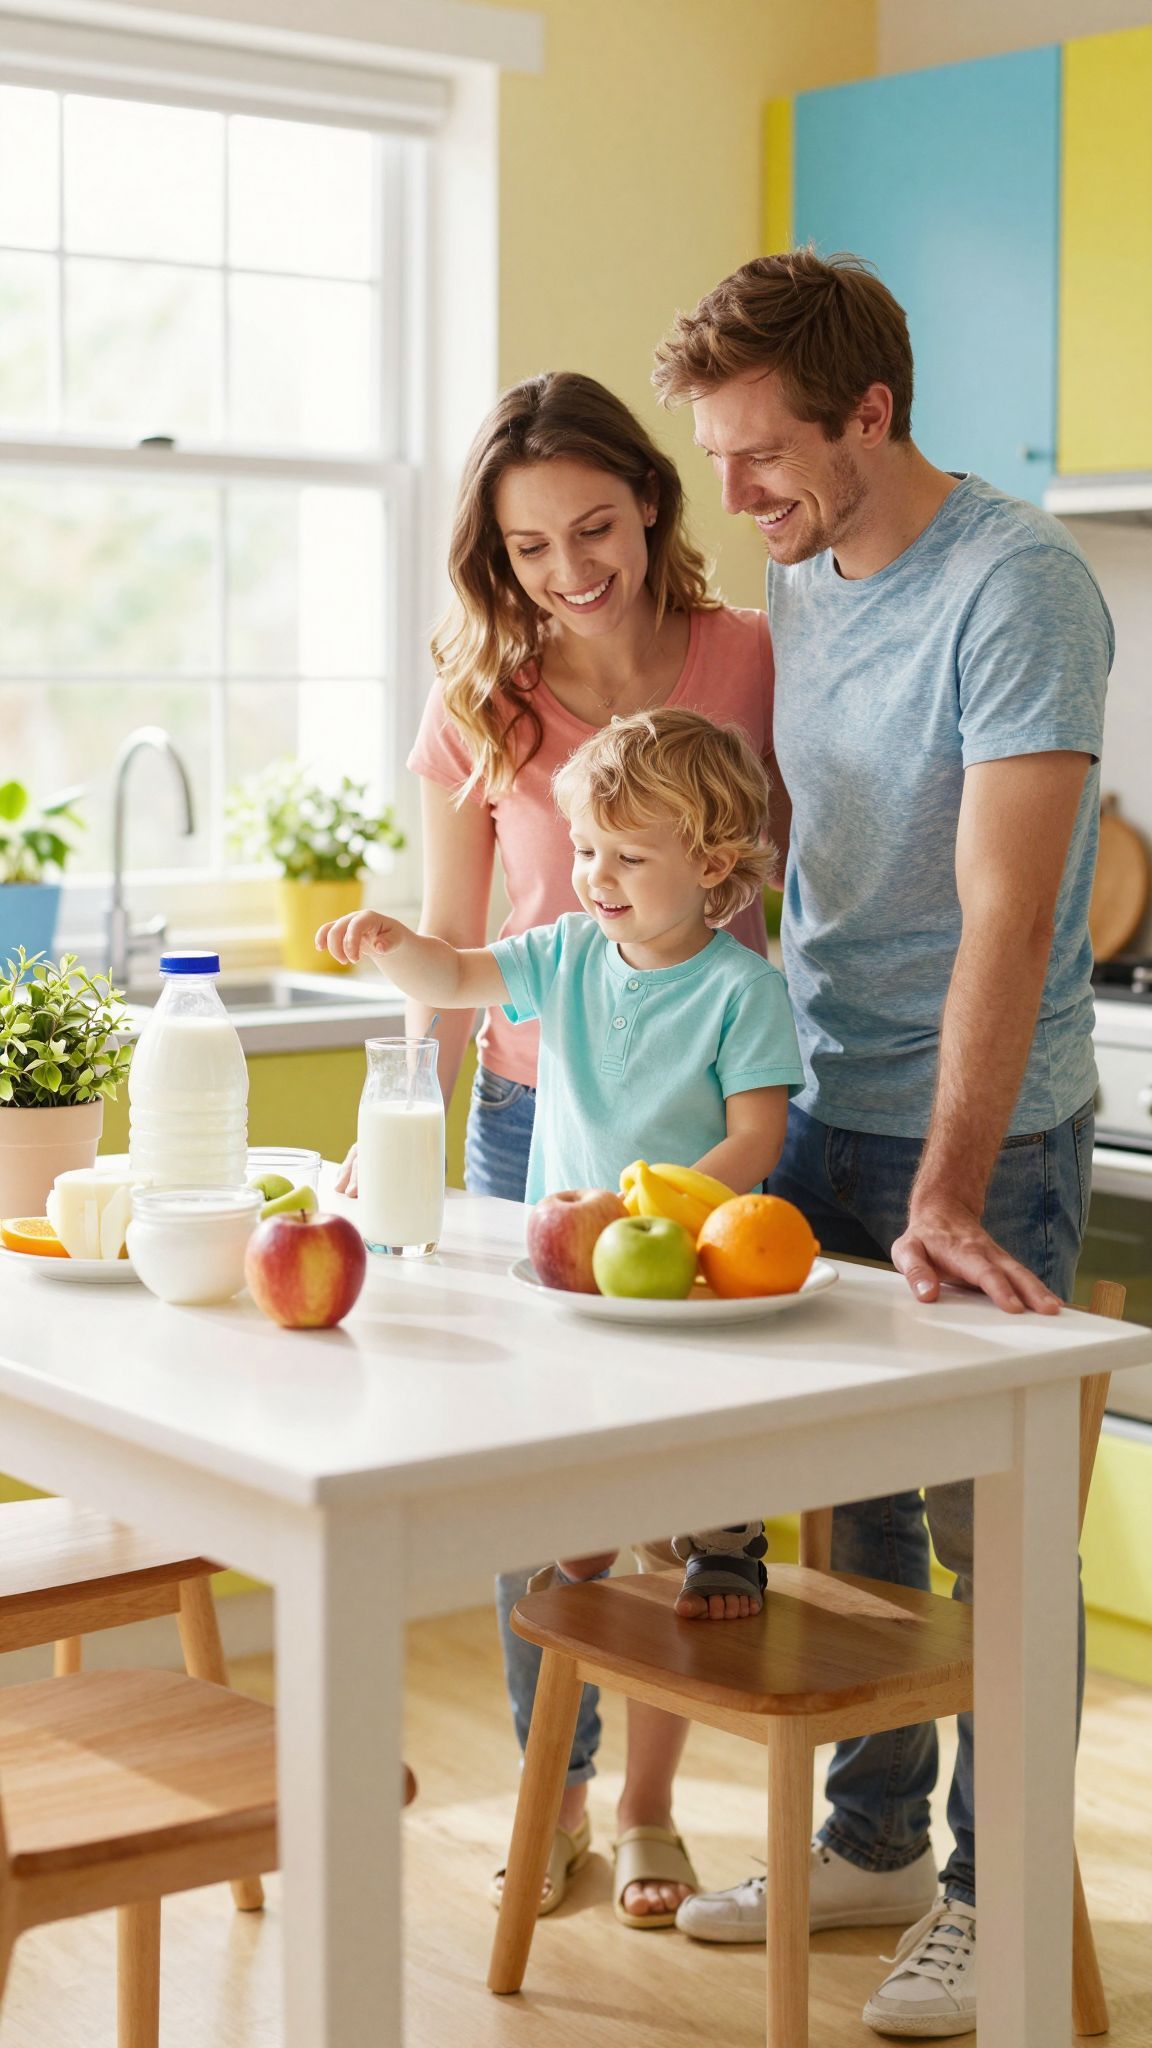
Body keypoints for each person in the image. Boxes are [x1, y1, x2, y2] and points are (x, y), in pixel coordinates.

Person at [650, 250, 1112, 2039]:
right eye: (716, 456)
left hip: (979, 1137)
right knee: (855, 1538)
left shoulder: (1019, 588)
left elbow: (1006, 913)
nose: (737, 492)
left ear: (870, 413)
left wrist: (937, 1180)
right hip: (821, 1107)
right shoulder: (811, 574)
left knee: (996, 1539)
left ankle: (998, 1904)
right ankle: (875, 1842)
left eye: (762, 453)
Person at [339, 371, 781, 1927]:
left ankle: (652, 1809)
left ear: (654, 502)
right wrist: (390, 1153)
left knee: (681, 1481)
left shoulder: (751, 655)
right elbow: (455, 951)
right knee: (546, 1499)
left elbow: (777, 891)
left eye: (594, 526)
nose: (569, 568)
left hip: (699, 1140)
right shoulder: (483, 703)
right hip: (533, 1126)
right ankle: (560, 1797)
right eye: (529, 547)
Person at [320, 707, 803, 1612]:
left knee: (694, 1405)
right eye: (585, 850)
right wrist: (394, 947)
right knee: (573, 1390)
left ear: (709, 864)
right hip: (567, 1249)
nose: (596, 877)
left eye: (627, 856)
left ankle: (721, 1537)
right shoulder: (568, 952)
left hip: (689, 1255)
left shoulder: (744, 989)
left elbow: (758, 1137)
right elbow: (456, 977)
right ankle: (584, 1517)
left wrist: (675, 1206)